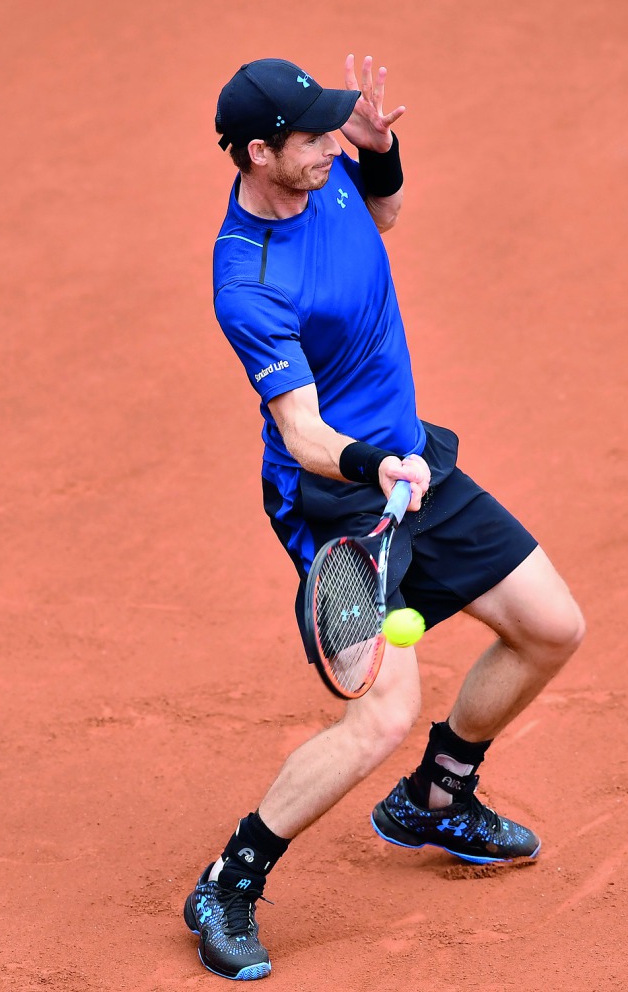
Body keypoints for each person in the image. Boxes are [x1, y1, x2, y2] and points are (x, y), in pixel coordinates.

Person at [183, 54, 585, 981]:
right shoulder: (246, 282)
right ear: (256, 153)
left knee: (551, 629)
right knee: (380, 716)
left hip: (415, 469)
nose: (331, 148)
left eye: (334, 132)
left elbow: (386, 215)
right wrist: (376, 464)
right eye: (314, 138)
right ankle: (229, 882)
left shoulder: (330, 181)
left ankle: (438, 798)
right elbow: (303, 431)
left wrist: (382, 151)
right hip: (338, 503)